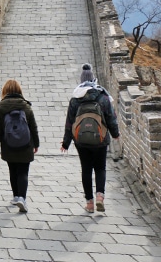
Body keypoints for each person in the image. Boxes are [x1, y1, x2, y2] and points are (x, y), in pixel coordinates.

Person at [61, 64, 120, 213]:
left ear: (81, 80)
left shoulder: (75, 99)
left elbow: (69, 122)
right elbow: (111, 118)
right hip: (100, 139)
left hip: (81, 141)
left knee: (86, 169)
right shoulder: (103, 96)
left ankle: (89, 203)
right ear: (94, 79)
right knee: (100, 168)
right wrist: (115, 134)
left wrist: (66, 143)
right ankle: (100, 196)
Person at [0, 79, 39, 212]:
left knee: (13, 170)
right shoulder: (26, 106)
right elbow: (33, 127)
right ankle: (22, 198)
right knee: (23, 172)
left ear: (4, 91)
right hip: (26, 144)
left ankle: (16, 196)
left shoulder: (1, 107)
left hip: (8, 144)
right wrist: (36, 144)